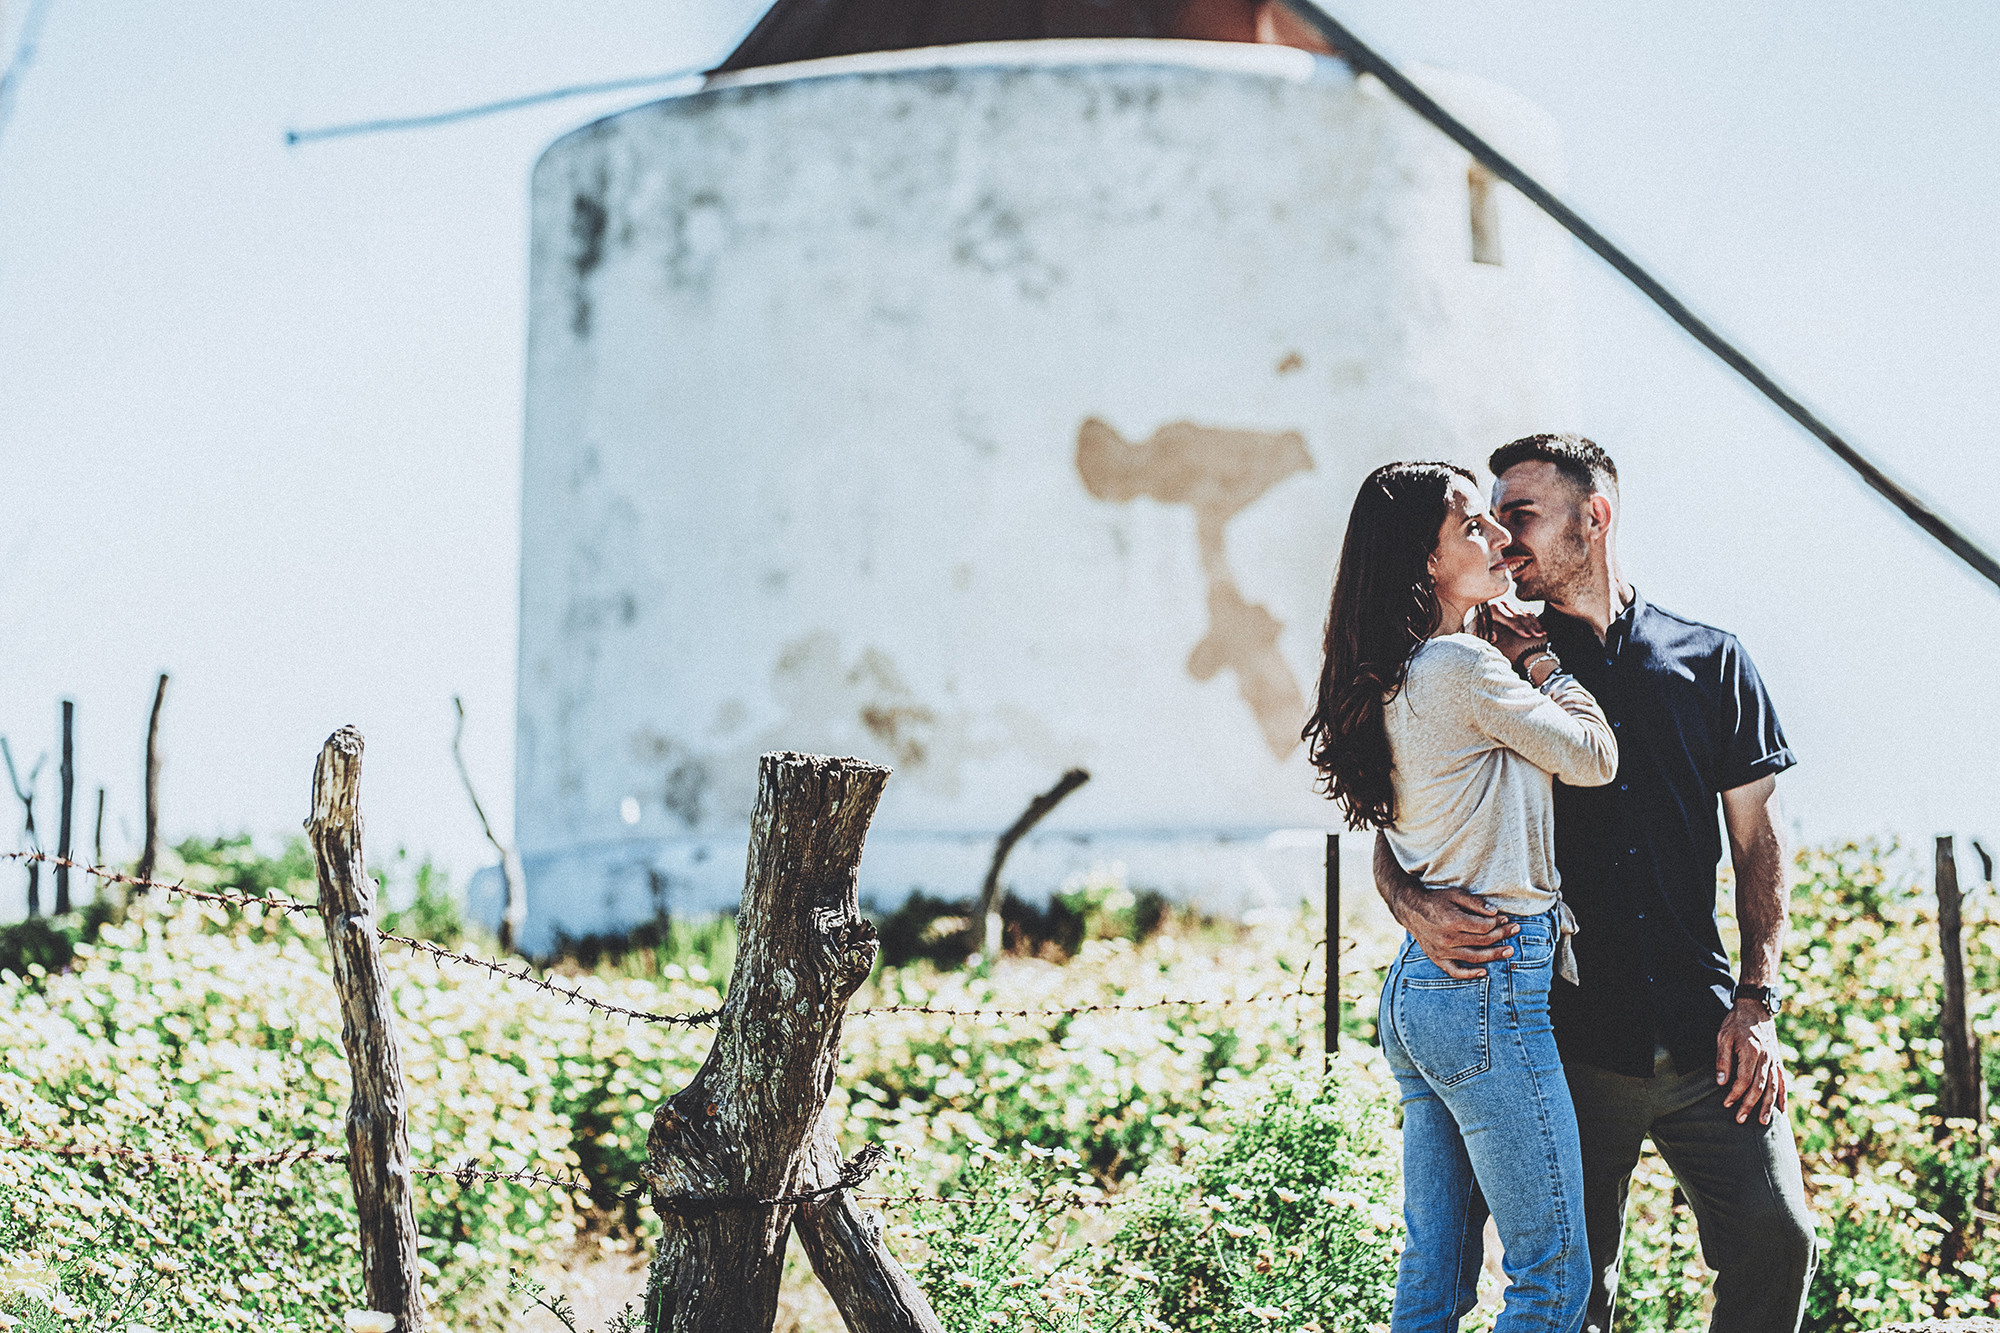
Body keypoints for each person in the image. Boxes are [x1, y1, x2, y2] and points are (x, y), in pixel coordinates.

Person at [1371, 434, 1818, 1333]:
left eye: (1522, 514)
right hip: (1563, 1036)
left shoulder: (1711, 659)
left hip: (1708, 1034)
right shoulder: (1489, 667)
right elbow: (1397, 817)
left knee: (1780, 1241)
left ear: (1595, 517)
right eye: (1490, 517)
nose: (1502, 535)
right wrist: (1411, 903)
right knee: (1573, 1291)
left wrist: (1757, 1001)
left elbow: (1758, 844)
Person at [1304, 460, 1618, 1333]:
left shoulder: (1395, 669)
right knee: (1553, 1281)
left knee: (1434, 1281)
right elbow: (1596, 755)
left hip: (1424, 988)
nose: (1498, 539)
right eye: (1473, 527)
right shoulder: (1460, 664)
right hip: (1489, 983)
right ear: (1426, 561)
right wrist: (1541, 657)